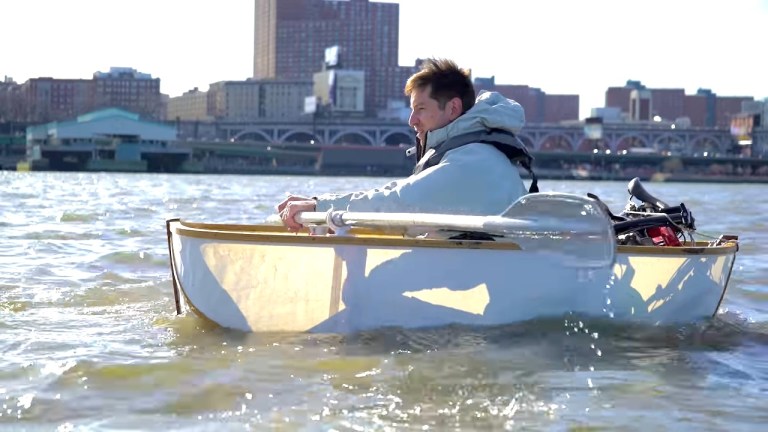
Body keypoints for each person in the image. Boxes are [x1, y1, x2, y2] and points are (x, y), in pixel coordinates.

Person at [276, 57, 538, 231]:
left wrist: (320, 207)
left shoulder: (473, 160)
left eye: (421, 109)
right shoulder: (466, 154)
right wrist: (318, 202)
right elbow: (401, 191)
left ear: (453, 108)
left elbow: (399, 202)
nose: (412, 120)